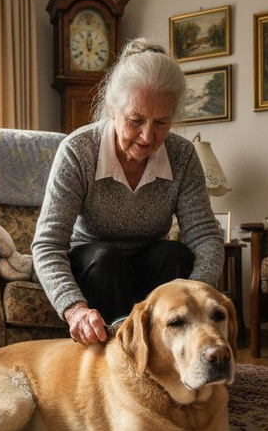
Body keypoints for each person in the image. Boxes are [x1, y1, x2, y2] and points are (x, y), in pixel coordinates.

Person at [32, 38, 223, 346]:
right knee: (105, 258)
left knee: (174, 255)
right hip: (95, 266)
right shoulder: (79, 151)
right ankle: (112, 360)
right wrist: (75, 310)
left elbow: (205, 237)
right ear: (112, 109)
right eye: (136, 121)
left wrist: (197, 294)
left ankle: (169, 354)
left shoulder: (183, 155)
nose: (148, 136)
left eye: (161, 122)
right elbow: (47, 244)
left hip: (151, 265)